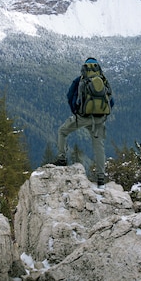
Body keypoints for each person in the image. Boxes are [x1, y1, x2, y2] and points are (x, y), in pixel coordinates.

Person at [55, 57, 114, 189]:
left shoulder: (80, 79)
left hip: (82, 116)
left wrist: (75, 111)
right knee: (98, 145)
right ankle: (100, 178)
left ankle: (62, 158)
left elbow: (70, 95)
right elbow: (111, 101)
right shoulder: (103, 80)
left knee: (62, 131)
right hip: (99, 119)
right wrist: (101, 114)